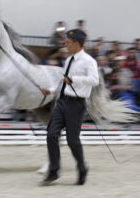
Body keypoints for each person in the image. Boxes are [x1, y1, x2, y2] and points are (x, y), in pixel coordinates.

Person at [40, 29, 99, 185]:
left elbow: (94, 80)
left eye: (68, 43)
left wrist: (74, 79)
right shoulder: (68, 60)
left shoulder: (88, 61)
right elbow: (63, 81)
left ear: (77, 43)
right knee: (52, 134)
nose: (66, 45)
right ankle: (53, 172)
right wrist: (51, 90)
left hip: (77, 104)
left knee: (72, 140)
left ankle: (82, 168)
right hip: (62, 101)